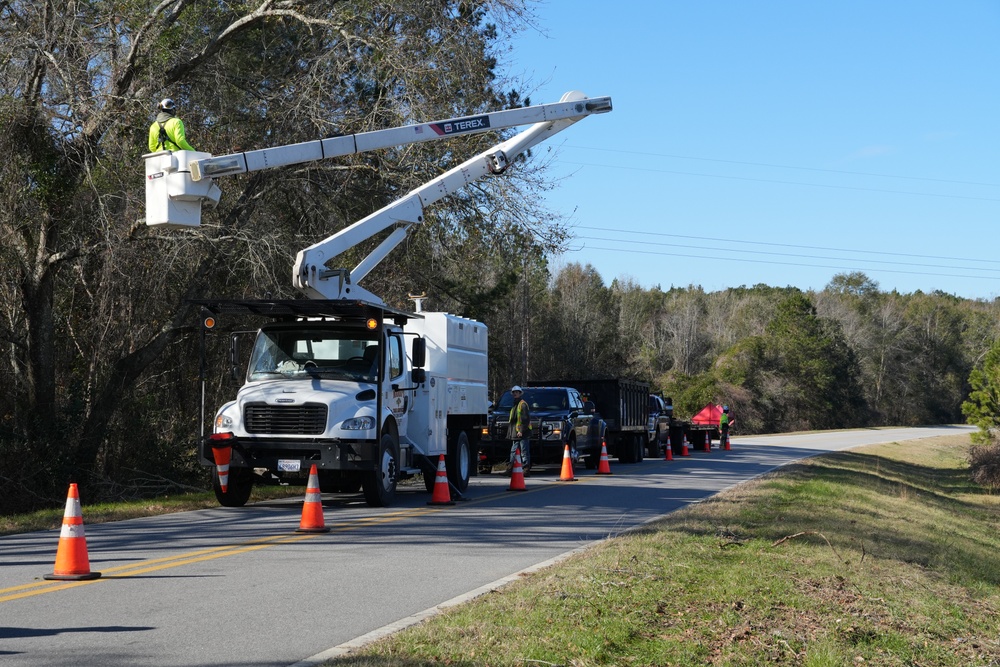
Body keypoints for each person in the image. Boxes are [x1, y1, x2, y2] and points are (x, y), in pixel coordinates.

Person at [507, 386, 531, 474]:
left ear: (520, 393)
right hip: (515, 433)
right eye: (513, 392)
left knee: (524, 451)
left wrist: (521, 431)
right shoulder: (515, 405)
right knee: (513, 451)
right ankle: (510, 469)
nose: (515, 393)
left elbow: (525, 419)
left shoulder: (522, 404)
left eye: (517, 392)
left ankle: (526, 469)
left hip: (523, 433)